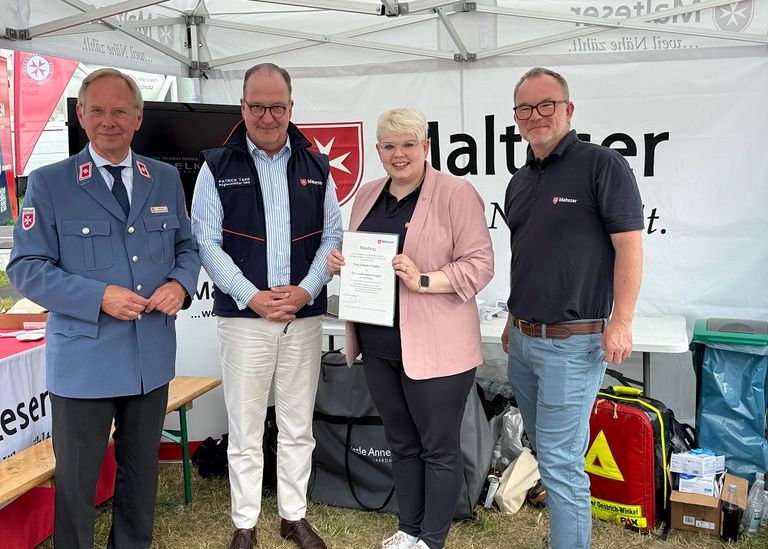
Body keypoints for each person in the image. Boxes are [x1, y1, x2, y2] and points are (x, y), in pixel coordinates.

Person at [7, 68, 200, 548]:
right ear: (80, 116)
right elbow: (27, 268)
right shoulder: (51, 183)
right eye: (97, 110)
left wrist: (180, 283)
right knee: (76, 485)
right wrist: (99, 297)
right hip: (83, 363)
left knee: (140, 478)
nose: (108, 121)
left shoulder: (164, 178)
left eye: (119, 111)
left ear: (138, 117)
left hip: (148, 361)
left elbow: (187, 248)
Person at [190, 63, 342, 549]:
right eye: (257, 106)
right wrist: (250, 296)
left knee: (298, 424)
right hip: (245, 317)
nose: (268, 116)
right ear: (243, 107)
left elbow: (333, 236)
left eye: (277, 106)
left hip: (303, 314)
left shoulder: (317, 166)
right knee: (245, 427)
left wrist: (305, 289)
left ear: (291, 108)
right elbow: (206, 243)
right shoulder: (216, 166)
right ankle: (245, 523)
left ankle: (293, 517)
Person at [327, 107, 494, 549]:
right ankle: (409, 530)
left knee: (437, 448)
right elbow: (363, 253)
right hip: (379, 343)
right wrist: (342, 262)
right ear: (378, 149)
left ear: (425, 147)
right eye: (388, 146)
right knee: (401, 443)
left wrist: (424, 279)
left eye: (407, 145)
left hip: (438, 347)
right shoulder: (366, 195)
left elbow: (480, 265)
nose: (398, 154)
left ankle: (431, 540)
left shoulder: (456, 193)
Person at [501, 67, 644, 549]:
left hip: (573, 343)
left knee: (561, 464)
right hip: (522, 341)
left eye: (546, 105)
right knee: (548, 452)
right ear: (516, 116)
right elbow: (528, 254)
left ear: (568, 109)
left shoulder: (602, 164)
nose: (536, 115)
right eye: (525, 108)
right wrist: (510, 321)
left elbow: (629, 246)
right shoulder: (520, 179)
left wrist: (621, 321)